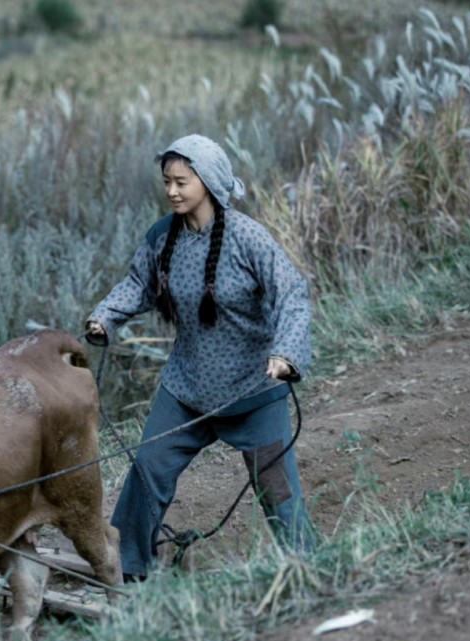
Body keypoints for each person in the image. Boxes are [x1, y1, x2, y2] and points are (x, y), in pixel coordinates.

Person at [85, 133, 316, 582]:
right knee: (147, 472)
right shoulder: (162, 237)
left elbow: (291, 293)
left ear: (208, 182)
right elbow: (137, 284)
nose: (171, 190)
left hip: (253, 392)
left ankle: (307, 567)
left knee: (277, 490)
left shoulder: (248, 237)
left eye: (182, 181)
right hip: (187, 391)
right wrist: (104, 318)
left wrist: (286, 352)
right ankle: (127, 569)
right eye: (167, 181)